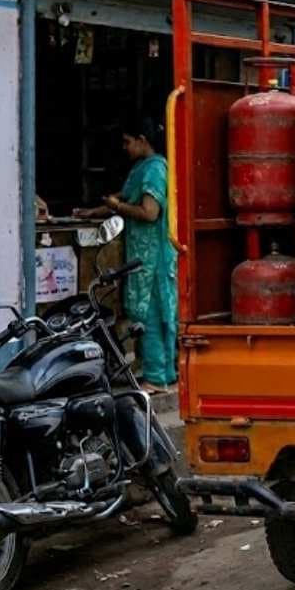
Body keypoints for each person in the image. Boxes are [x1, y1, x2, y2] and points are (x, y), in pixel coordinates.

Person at [77, 117, 178, 389]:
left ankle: (157, 377)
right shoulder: (143, 168)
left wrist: (117, 208)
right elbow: (122, 198)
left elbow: (148, 212)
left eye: (127, 141)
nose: (124, 147)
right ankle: (159, 372)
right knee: (147, 312)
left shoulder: (155, 169)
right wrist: (95, 211)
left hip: (154, 255)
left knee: (151, 313)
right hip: (144, 253)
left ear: (142, 140)